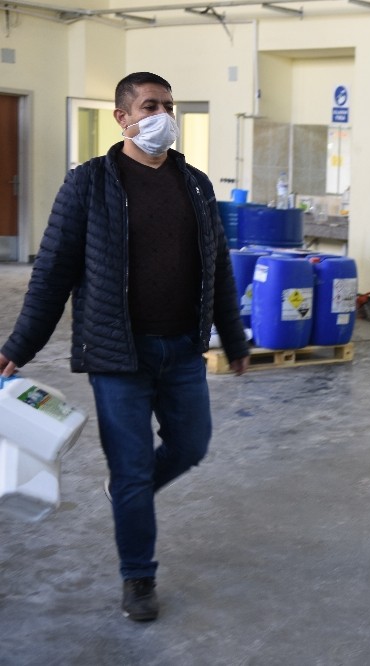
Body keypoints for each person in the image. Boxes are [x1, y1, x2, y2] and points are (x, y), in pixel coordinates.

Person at [0, 72, 250, 622]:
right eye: (149, 106)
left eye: (167, 105)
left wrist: (233, 339)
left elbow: (219, 270)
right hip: (119, 355)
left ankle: (128, 490)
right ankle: (138, 577)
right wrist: (19, 345)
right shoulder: (89, 184)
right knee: (134, 469)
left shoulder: (197, 184)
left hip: (183, 349)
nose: (161, 115)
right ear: (123, 117)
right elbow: (53, 274)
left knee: (191, 445)